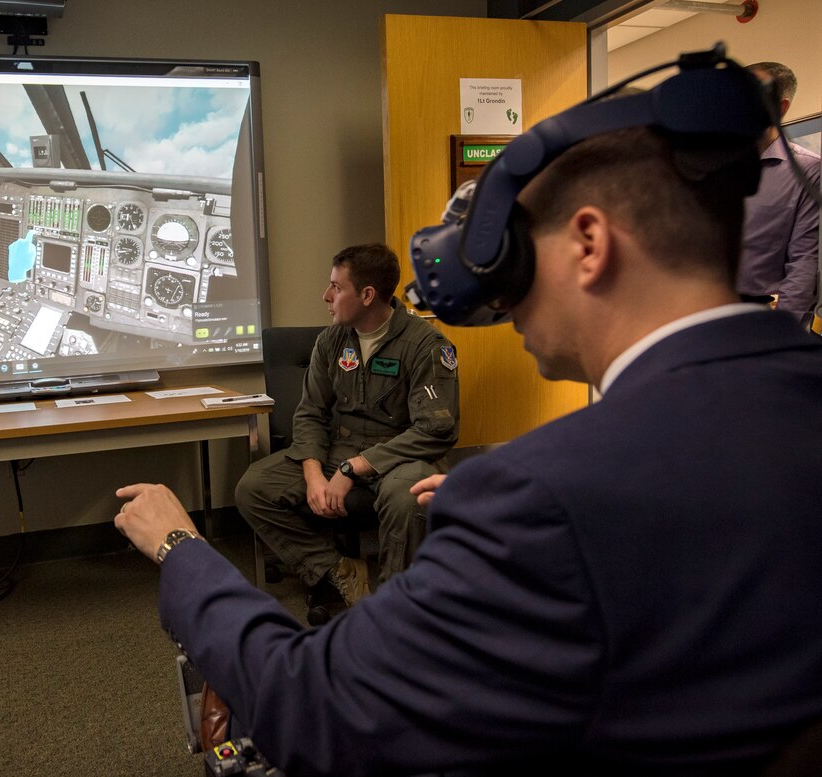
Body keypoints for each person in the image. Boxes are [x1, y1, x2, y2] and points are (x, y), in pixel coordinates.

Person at [113, 85, 822, 773]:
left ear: (587, 244)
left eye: (514, 253)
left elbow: (320, 704)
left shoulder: (532, 495)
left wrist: (182, 547)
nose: (501, 296)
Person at [235, 243, 459, 605]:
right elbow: (310, 413)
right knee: (254, 487)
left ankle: (396, 604)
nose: (326, 296)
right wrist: (312, 474)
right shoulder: (332, 340)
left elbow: (435, 431)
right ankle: (338, 570)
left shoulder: (425, 345)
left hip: (398, 457)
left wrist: (352, 469)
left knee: (408, 498)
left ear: (367, 295)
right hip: (338, 448)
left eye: (337, 288)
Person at [738, 61, 821, 330]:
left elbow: (805, 261)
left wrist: (783, 332)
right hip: (699, 313)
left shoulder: (807, 170)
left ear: (780, 108)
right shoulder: (715, 164)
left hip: (759, 318)